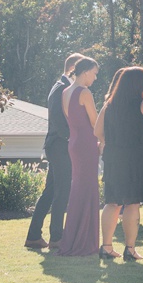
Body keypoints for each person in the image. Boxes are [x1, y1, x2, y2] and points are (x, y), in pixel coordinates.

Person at [97, 65, 143, 261]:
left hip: (113, 157)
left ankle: (106, 246)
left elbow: (97, 131)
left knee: (112, 202)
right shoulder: (142, 104)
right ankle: (129, 248)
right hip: (135, 158)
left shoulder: (109, 105)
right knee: (132, 204)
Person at [26, 52, 87, 251]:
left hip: (56, 146)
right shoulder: (62, 88)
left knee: (51, 191)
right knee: (62, 192)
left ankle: (34, 236)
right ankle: (57, 238)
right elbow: (59, 122)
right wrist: (73, 138)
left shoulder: (60, 86)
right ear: (74, 69)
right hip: (60, 146)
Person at [56, 57, 103, 256]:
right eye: (94, 73)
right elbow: (95, 122)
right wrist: (103, 139)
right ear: (85, 72)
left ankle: (75, 237)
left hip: (74, 143)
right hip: (85, 144)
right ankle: (84, 241)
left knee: (78, 190)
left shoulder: (65, 92)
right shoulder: (84, 92)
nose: (95, 77)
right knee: (87, 189)